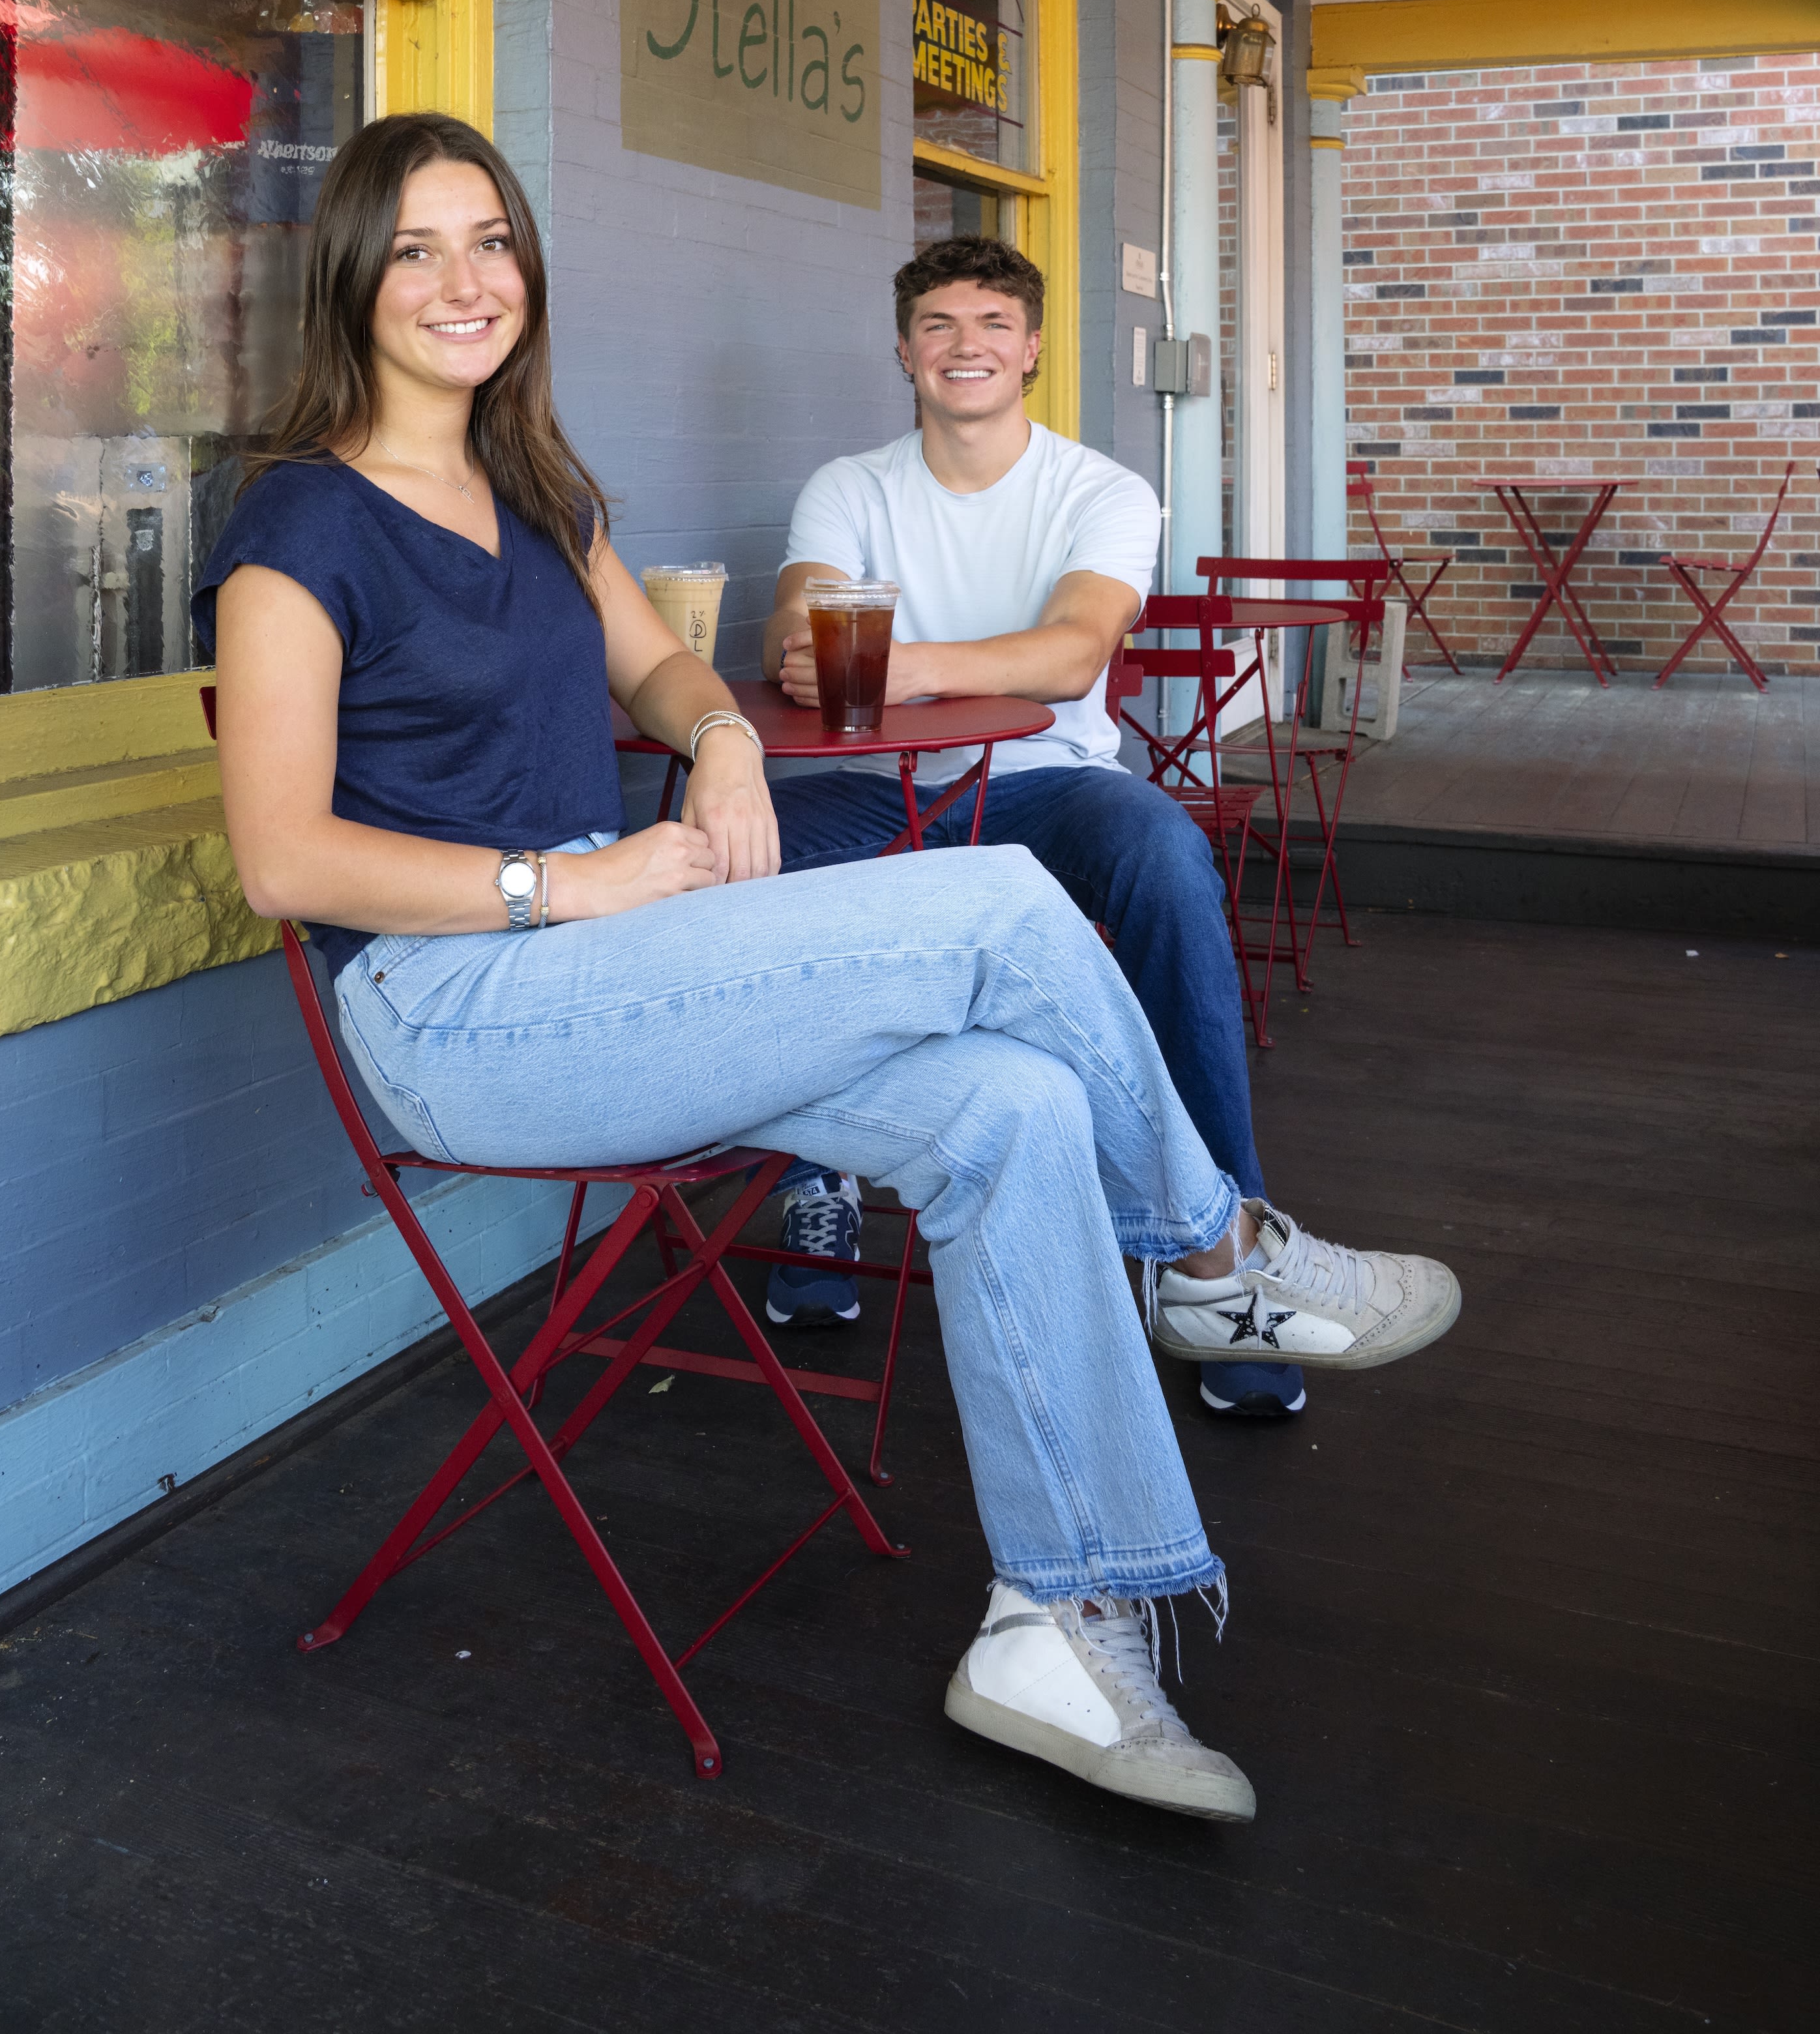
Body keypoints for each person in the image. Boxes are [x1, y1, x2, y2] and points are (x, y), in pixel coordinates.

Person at [193, 113, 1456, 1825]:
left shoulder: (537, 495)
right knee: (1006, 900)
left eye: (490, 240)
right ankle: (1218, 1251)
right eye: (416, 247)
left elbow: (664, 672)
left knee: (1012, 1103)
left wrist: (717, 744)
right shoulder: (298, 525)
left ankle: (1062, 1625)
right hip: (459, 1011)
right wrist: (560, 892)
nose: (463, 281)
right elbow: (283, 856)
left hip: (623, 972)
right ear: (352, 271)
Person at [761, 234, 1454, 1427]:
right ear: (903, 350)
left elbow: (1073, 656)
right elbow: (797, 643)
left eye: (991, 325)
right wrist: (921, 669)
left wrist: (899, 665)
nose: (964, 346)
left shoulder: (1100, 490)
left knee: (1166, 855)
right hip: (873, 784)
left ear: (1032, 350)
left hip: (1042, 781)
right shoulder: (850, 487)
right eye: (938, 325)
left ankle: (1227, 1257)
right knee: (740, 844)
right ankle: (811, 1166)